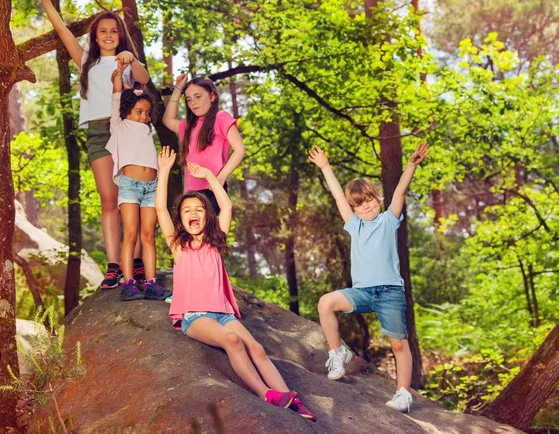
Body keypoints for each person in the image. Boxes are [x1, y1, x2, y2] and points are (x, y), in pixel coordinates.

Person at [156, 147, 315, 421]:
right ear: (180, 219)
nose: (193, 214)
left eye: (198, 210)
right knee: (232, 341)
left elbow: (226, 205)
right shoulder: (178, 247)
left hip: (223, 314)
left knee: (257, 348)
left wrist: (209, 176)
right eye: (186, 211)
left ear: (207, 216)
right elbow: (159, 207)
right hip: (195, 317)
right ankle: (265, 393)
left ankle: (292, 400)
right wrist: (164, 171)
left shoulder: (216, 244)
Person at [308, 143, 430, 413]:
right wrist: (326, 166)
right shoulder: (355, 225)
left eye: (368, 201)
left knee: (398, 343)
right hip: (362, 292)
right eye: (358, 204)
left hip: (389, 292)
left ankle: (403, 393)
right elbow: (339, 198)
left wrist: (411, 165)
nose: (364, 207)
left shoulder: (389, 220)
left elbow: (400, 191)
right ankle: (337, 352)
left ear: (378, 200)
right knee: (325, 302)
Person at [41, 0, 150, 288]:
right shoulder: (85, 61)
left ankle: (136, 262)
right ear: (95, 36)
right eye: (103, 31)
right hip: (99, 133)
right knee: (109, 200)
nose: (109, 35)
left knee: (132, 200)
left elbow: (145, 79)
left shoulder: (126, 62)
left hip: (128, 133)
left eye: (114, 31)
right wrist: (45, 4)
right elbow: (62, 30)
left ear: (120, 35)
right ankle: (114, 266)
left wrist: (131, 58)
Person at [106, 66, 170, 301]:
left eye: (146, 113)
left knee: (148, 236)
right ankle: (129, 283)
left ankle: (152, 283)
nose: (144, 116)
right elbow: (116, 100)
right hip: (130, 186)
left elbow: (141, 97)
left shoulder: (147, 129)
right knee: (130, 235)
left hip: (151, 187)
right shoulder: (119, 124)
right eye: (138, 111)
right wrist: (118, 78)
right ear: (126, 112)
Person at [162, 75, 245, 214]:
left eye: (198, 96)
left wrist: (220, 178)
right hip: (190, 194)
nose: (193, 102)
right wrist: (178, 89)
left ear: (212, 96)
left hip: (212, 189)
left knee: (207, 232)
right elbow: (167, 120)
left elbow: (240, 149)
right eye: (189, 99)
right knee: (191, 234)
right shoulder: (189, 126)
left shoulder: (221, 117)